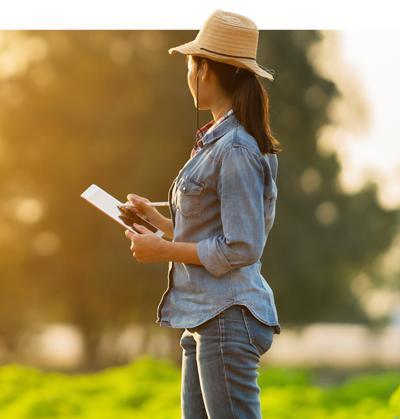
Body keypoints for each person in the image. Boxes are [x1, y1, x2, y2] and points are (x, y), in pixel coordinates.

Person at [124, 10, 281, 419]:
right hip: (205, 317)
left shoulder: (234, 149)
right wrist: (156, 223)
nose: (189, 74)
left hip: (227, 316)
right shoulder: (219, 143)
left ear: (205, 69)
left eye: (191, 64)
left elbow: (242, 245)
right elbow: (212, 232)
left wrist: (163, 252)